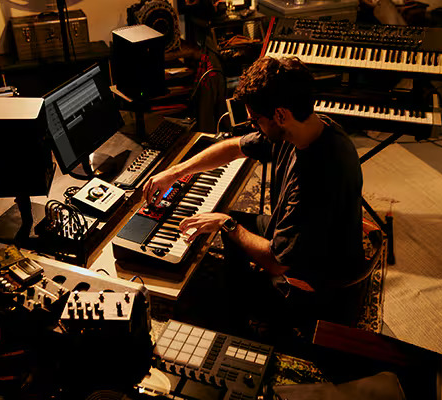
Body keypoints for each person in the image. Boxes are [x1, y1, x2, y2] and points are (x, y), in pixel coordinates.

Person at [143, 56, 366, 336]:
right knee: (231, 227)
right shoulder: (307, 128)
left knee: (206, 298)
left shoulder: (316, 177)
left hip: (317, 284)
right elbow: (235, 147)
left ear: (280, 115)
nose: (253, 127)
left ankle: (242, 327)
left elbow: (277, 262)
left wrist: (226, 223)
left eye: (255, 120)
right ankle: (238, 297)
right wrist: (176, 172)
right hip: (312, 242)